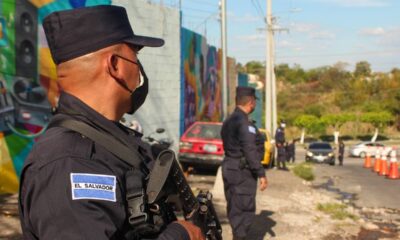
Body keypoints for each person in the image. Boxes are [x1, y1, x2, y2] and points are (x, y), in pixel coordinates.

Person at [18, 5, 203, 240]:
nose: (138, 68)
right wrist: (181, 235)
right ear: (115, 65)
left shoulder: (108, 143)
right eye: (135, 55)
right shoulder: (68, 162)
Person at [220, 86, 268, 240]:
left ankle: (237, 236)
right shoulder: (244, 123)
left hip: (229, 167)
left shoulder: (229, 120)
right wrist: (261, 173)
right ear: (251, 102)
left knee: (234, 207)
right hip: (242, 171)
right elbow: (250, 150)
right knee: (244, 209)